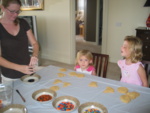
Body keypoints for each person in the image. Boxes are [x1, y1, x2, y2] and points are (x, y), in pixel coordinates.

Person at [0, 0, 39, 84]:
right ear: (2, 8)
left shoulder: (23, 23)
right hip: (10, 75)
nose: (15, 15)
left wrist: (34, 55)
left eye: (18, 11)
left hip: (28, 70)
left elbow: (35, 44)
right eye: (12, 11)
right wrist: (19, 68)